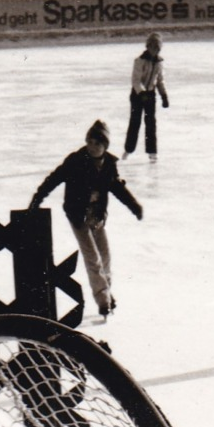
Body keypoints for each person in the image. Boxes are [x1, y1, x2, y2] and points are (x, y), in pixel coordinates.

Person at [29, 119, 143, 318]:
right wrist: (38, 197)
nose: (92, 147)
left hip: (97, 216)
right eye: (90, 142)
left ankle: (106, 291)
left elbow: (117, 188)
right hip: (78, 215)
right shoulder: (75, 160)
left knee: (105, 257)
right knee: (93, 258)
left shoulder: (108, 164)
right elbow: (54, 179)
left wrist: (134, 206)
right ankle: (102, 300)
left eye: (97, 144)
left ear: (104, 146)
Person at [124, 33, 169, 161]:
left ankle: (152, 152)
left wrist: (164, 95)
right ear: (148, 46)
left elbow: (160, 80)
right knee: (135, 122)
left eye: (157, 48)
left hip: (150, 95)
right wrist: (141, 93)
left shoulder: (159, 63)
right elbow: (136, 80)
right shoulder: (139, 61)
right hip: (137, 95)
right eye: (152, 47)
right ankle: (128, 149)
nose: (155, 50)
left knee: (151, 123)